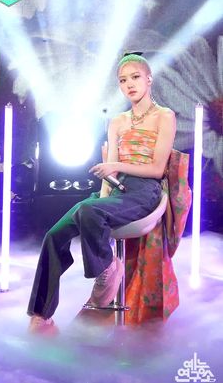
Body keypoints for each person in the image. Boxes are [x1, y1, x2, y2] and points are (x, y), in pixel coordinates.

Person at [27, 52, 176, 334]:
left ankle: (107, 269)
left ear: (148, 79)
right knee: (54, 234)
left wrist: (116, 165)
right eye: (122, 80)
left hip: (145, 191)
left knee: (88, 210)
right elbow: (111, 175)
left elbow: (158, 169)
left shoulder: (163, 116)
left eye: (135, 77)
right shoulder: (117, 121)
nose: (129, 84)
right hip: (116, 190)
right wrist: (107, 183)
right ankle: (41, 315)